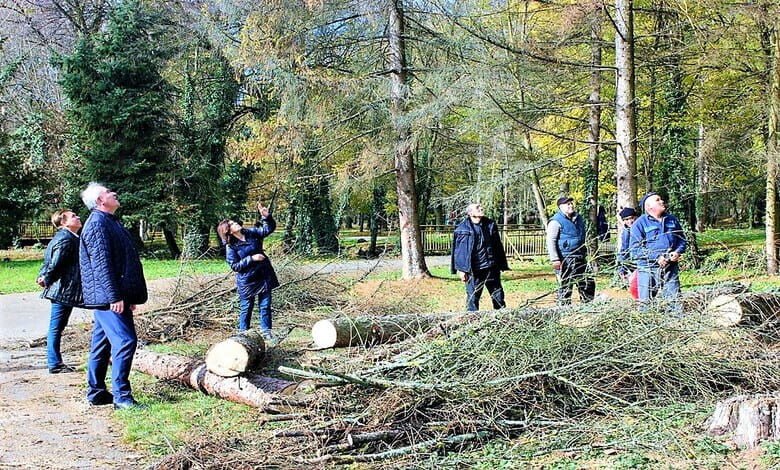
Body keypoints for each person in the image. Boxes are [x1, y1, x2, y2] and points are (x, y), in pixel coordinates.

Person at [79, 183, 148, 409]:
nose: (114, 193)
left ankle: (97, 392)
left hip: (114, 296)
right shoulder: (97, 224)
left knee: (101, 345)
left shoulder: (109, 221)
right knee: (126, 341)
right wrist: (114, 297)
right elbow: (101, 266)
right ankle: (122, 397)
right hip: (108, 298)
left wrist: (126, 297)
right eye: (109, 192)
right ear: (100, 200)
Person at [217, 202, 279, 337]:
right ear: (228, 230)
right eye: (232, 224)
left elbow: (267, 230)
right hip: (248, 281)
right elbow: (235, 266)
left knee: (265, 306)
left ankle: (266, 333)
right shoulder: (231, 246)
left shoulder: (250, 233)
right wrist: (251, 258)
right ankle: (243, 334)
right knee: (246, 308)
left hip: (263, 275)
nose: (236, 224)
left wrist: (267, 217)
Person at [37, 209, 84, 374]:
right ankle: (55, 364)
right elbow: (56, 263)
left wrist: (42, 276)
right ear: (63, 222)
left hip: (64, 289)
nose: (77, 217)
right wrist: (46, 278)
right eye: (73, 216)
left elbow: (47, 262)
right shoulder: (66, 239)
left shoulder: (68, 237)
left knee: (57, 327)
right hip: (64, 290)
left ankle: (55, 363)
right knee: (56, 328)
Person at [629, 192, 687, 308]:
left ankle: (675, 323)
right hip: (647, 268)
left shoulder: (672, 220)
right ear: (649, 206)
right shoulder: (639, 223)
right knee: (646, 304)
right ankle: (646, 323)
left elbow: (682, 240)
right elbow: (635, 249)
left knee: (674, 301)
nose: (662, 201)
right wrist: (656, 257)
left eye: (661, 199)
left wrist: (677, 252)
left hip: (670, 268)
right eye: (658, 200)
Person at [451, 203, 509, 311]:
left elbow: (498, 246)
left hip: (491, 268)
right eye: (477, 208)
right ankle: (472, 323)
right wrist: (461, 270)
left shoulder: (490, 225)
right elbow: (459, 252)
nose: (481, 209)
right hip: (474, 271)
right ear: (470, 213)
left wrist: (501, 264)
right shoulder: (462, 229)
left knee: (498, 298)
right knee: (472, 299)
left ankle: (502, 320)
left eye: (481, 207)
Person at [546, 196, 595, 305]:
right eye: (567, 204)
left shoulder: (579, 219)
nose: (571, 206)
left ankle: (588, 305)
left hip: (580, 257)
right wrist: (555, 260)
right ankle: (563, 309)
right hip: (566, 258)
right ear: (560, 207)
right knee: (566, 286)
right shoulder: (556, 221)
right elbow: (551, 241)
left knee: (588, 283)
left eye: (571, 203)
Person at [616, 207, 638, 283]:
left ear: (636, 217)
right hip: (632, 262)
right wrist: (621, 269)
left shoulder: (642, 228)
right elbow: (624, 250)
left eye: (631, 218)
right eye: (626, 220)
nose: (630, 221)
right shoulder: (626, 232)